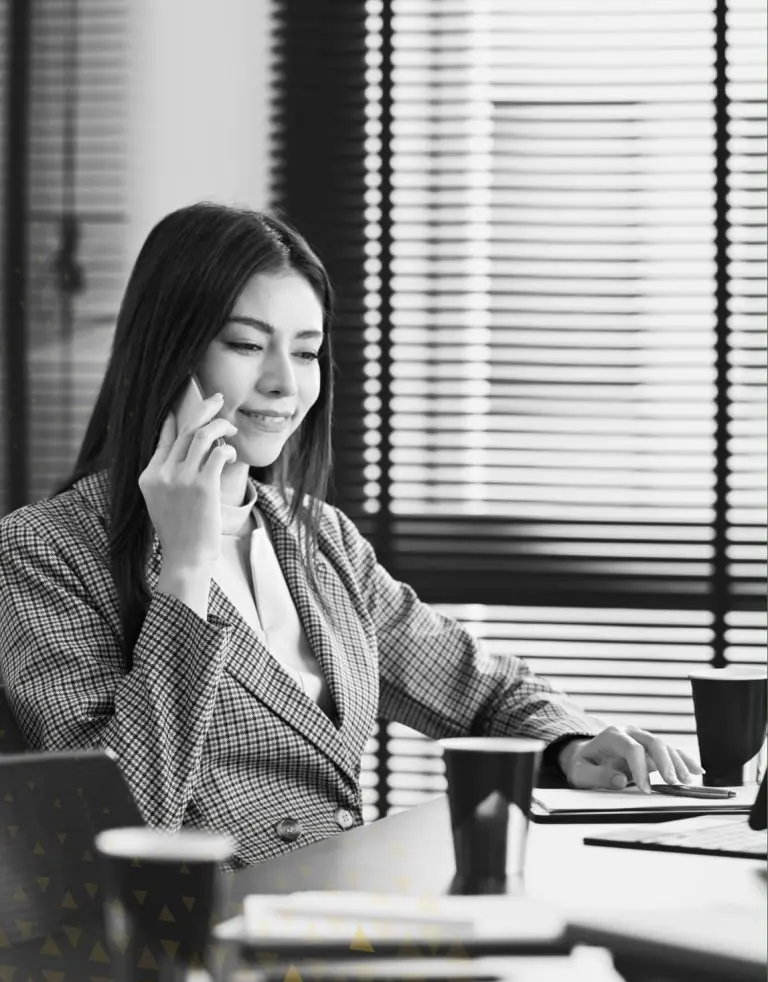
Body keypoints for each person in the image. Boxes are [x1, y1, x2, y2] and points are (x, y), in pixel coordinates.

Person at [0, 203, 703, 865]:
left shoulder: (317, 539)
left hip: (340, 921)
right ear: (168, 353)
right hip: (186, 952)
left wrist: (572, 744)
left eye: (305, 353)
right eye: (247, 344)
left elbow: (475, 689)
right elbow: (112, 825)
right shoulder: (43, 552)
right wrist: (185, 570)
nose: (283, 384)